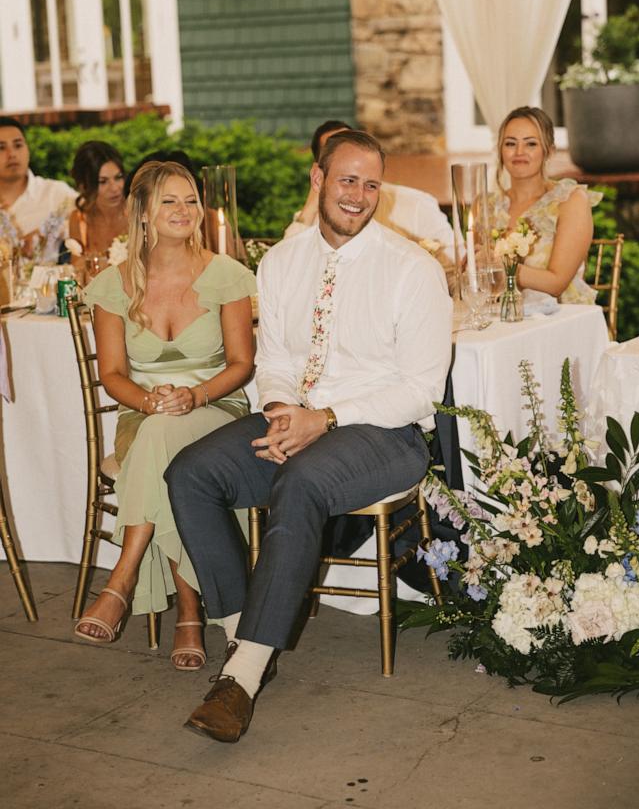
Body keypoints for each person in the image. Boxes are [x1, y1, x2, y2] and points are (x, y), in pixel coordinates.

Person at [165, 129, 452, 741]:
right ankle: (249, 633)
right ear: (318, 179)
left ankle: (239, 678)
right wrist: (278, 409)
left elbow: (422, 389)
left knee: (299, 483)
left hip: (384, 434)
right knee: (191, 473)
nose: (360, 196)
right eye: (347, 180)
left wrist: (326, 418)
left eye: (372, 184)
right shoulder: (279, 261)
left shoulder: (411, 269)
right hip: (295, 418)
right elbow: (272, 359)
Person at [74, 161, 256, 671]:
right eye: (170, 201)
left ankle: (123, 577)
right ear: (143, 213)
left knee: (169, 436)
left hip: (218, 408)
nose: (184, 210)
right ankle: (190, 613)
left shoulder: (228, 275)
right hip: (143, 411)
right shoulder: (112, 285)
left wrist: (195, 396)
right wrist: (150, 401)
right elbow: (112, 374)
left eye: (191, 200)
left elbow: (242, 365)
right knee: (162, 437)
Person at [284, 119, 455, 265]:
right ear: (319, 171)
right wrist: (310, 206)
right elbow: (287, 266)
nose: (358, 196)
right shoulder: (311, 221)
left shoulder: (416, 203)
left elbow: (456, 264)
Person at [490, 106, 600, 303]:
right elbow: (481, 283)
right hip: (502, 319)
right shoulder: (486, 206)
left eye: (531, 144)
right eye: (510, 143)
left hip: (561, 318)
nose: (519, 152)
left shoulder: (570, 201)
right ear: (500, 150)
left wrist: (498, 265)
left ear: (549, 151)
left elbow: (556, 284)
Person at [0, 117, 75, 257]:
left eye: (18, 145)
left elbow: (94, 218)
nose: (12, 154)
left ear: (28, 149)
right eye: (1, 148)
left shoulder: (55, 193)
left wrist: (50, 231)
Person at [68, 141, 128, 272]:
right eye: (103, 181)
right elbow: (77, 273)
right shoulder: (79, 221)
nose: (115, 188)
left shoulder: (138, 213)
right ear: (84, 185)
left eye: (118, 177)